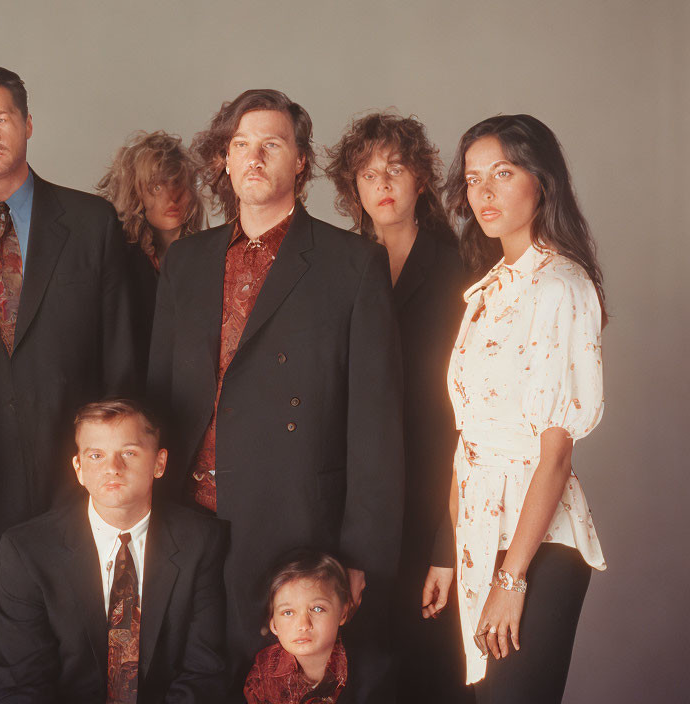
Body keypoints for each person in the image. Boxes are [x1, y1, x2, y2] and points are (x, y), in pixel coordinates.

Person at [147, 89, 405, 702]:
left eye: (272, 144)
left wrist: (360, 553)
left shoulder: (352, 264)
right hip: (187, 519)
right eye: (241, 145)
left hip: (295, 523)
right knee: (192, 679)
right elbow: (157, 393)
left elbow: (376, 420)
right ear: (225, 163)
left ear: (301, 164)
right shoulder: (185, 261)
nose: (254, 157)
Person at [0, 65, 138, 698]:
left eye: (0, 119)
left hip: (71, 482)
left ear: (27, 123)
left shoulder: (91, 222)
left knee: (77, 658)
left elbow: (120, 361)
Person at [424, 114, 607, 703]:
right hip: (478, 531)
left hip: (536, 541)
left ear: (541, 181)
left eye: (503, 173)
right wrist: (450, 553)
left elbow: (555, 452)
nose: (484, 192)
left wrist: (511, 576)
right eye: (475, 178)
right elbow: (467, 442)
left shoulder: (561, 285)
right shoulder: (486, 291)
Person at [325, 111, 473, 703]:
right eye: (367, 174)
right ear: (352, 190)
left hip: (436, 488)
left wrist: (448, 530)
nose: (382, 183)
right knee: (361, 663)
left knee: (431, 661)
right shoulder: (336, 266)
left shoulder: (459, 267)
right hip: (356, 495)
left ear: (421, 180)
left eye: (396, 169)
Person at [0, 399, 228, 703]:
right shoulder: (27, 551)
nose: (112, 468)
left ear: (159, 463)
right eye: (96, 455)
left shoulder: (201, 541)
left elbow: (204, 672)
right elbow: (20, 682)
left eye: (129, 452)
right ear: (79, 468)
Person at [97, 131, 206, 369]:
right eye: (156, 187)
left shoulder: (208, 257)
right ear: (135, 194)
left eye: (177, 183)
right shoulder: (117, 258)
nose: (171, 198)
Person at [244, 550, 352, 704]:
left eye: (317, 609)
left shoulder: (367, 671)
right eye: (288, 612)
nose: (303, 625)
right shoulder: (263, 672)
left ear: (342, 613)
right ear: (274, 624)